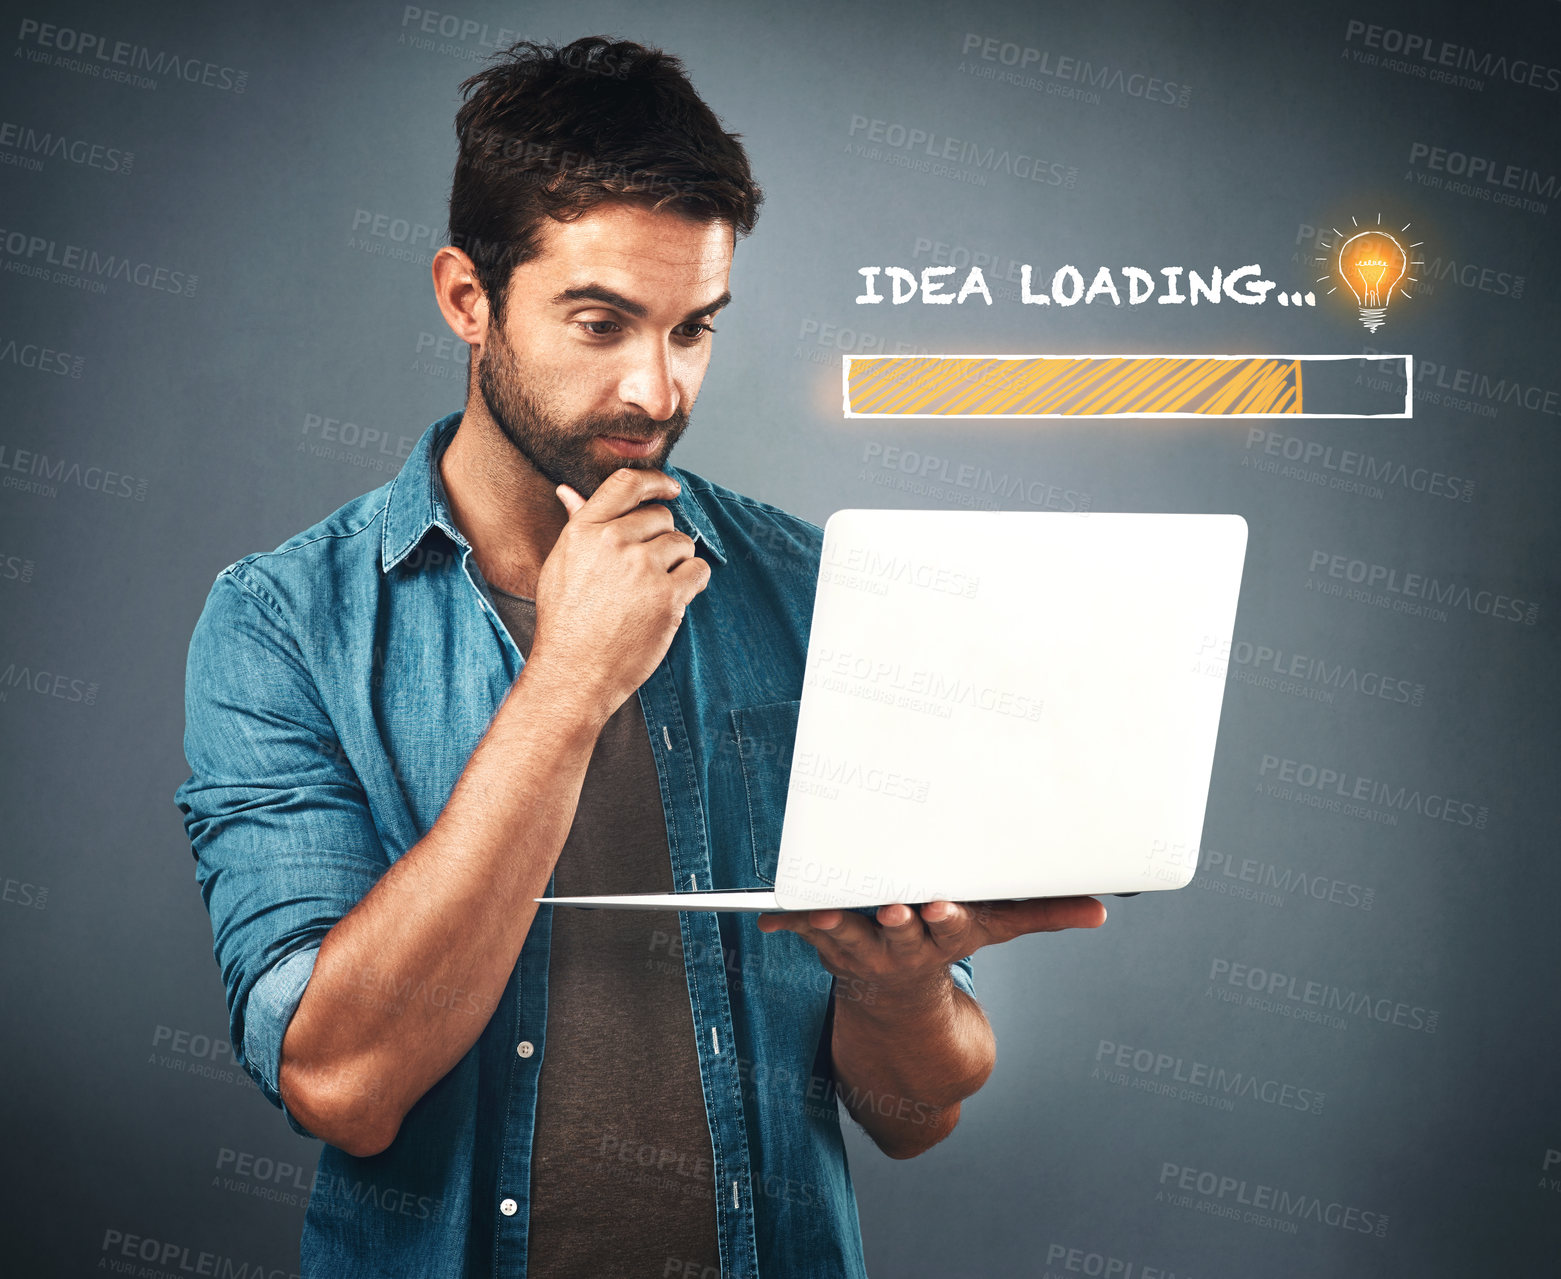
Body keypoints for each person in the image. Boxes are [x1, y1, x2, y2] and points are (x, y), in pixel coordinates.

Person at [174, 35, 1104, 1279]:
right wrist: (569, 680)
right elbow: (343, 1083)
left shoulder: (824, 598)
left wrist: (898, 990)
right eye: (601, 322)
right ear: (467, 296)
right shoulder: (283, 623)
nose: (654, 389)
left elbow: (911, 1115)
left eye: (692, 330)